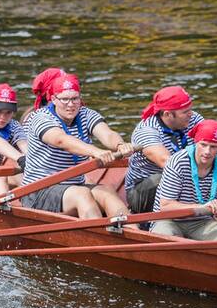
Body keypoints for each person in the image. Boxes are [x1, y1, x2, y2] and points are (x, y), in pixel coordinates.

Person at [21, 73, 135, 218]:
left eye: (75, 98)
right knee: (82, 194)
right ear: (54, 99)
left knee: (108, 193)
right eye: (65, 99)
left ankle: (134, 235)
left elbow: (107, 134)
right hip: (38, 191)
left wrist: (120, 145)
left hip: (73, 186)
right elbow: (60, 140)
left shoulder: (86, 114)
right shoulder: (40, 118)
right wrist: (96, 152)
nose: (70, 104)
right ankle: (98, 239)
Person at [150, 120, 217, 240]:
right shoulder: (177, 162)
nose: (207, 152)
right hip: (168, 219)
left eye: (213, 147)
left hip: (201, 221)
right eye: (203, 145)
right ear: (195, 142)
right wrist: (203, 207)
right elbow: (166, 206)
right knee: (167, 240)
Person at [124, 85, 204, 214]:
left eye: (190, 109)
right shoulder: (146, 131)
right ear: (167, 114)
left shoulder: (193, 119)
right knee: (164, 177)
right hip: (143, 191)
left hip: (185, 180)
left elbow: (212, 143)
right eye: (185, 112)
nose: (191, 114)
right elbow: (168, 163)